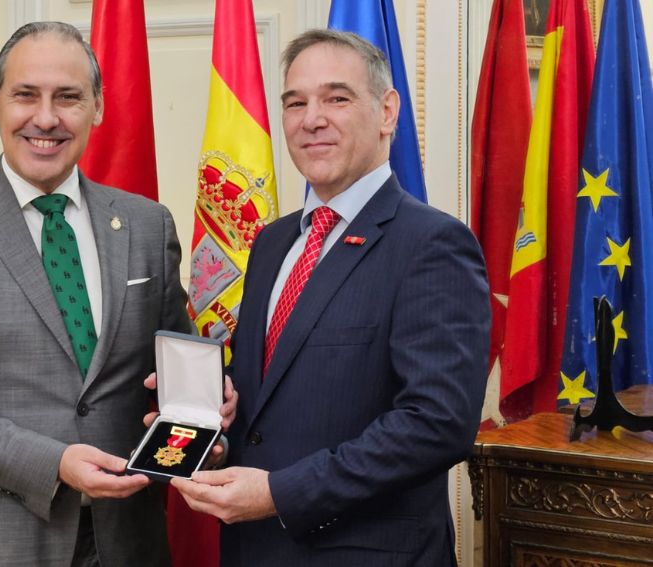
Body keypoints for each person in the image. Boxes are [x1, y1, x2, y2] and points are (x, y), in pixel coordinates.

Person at [0, 21, 234, 566]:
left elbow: (173, 367)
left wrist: (206, 405)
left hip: (129, 536)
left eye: (68, 98)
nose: (45, 118)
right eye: (26, 95)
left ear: (96, 108)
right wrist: (54, 462)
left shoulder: (146, 225)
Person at [170, 29, 490, 566]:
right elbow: (266, 408)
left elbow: (437, 424)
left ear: (388, 112)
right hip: (255, 551)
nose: (311, 119)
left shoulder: (432, 244)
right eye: (295, 103)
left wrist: (280, 494)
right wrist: (213, 420)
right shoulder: (272, 243)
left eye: (336, 98)